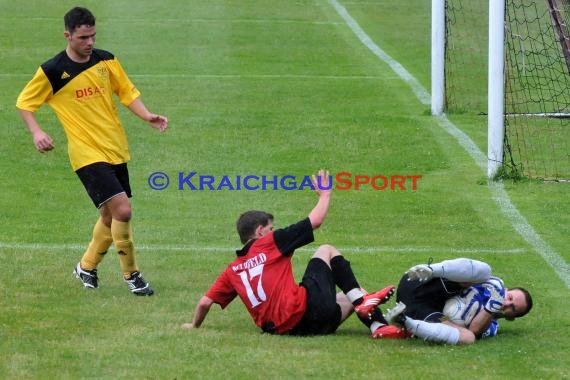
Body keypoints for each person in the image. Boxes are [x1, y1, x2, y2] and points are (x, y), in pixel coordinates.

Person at [16, 7, 168, 296]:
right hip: (86, 154)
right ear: (68, 35)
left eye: (93, 36)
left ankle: (86, 266)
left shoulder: (106, 59)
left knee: (110, 217)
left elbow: (127, 92)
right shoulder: (52, 70)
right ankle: (132, 275)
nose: (90, 42)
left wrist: (147, 116)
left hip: (115, 147)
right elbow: (25, 103)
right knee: (123, 209)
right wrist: (37, 131)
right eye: (84, 37)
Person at [182, 170, 402, 338]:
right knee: (326, 250)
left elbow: (204, 303)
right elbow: (315, 221)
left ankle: (379, 327)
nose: (273, 231)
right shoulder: (268, 243)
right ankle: (370, 313)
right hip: (308, 312)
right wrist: (325, 194)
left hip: (292, 330)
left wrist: (193, 326)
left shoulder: (232, 270)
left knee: (354, 293)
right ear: (260, 231)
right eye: (270, 228)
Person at [384, 258, 533, 344]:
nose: (506, 303)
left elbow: (474, 330)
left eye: (512, 308)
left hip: (422, 310)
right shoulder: (491, 284)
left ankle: (403, 319)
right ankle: (432, 269)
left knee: (469, 337)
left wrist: (491, 307)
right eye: (510, 297)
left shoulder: (491, 326)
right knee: (485, 271)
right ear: (506, 290)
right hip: (419, 281)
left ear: (511, 318)